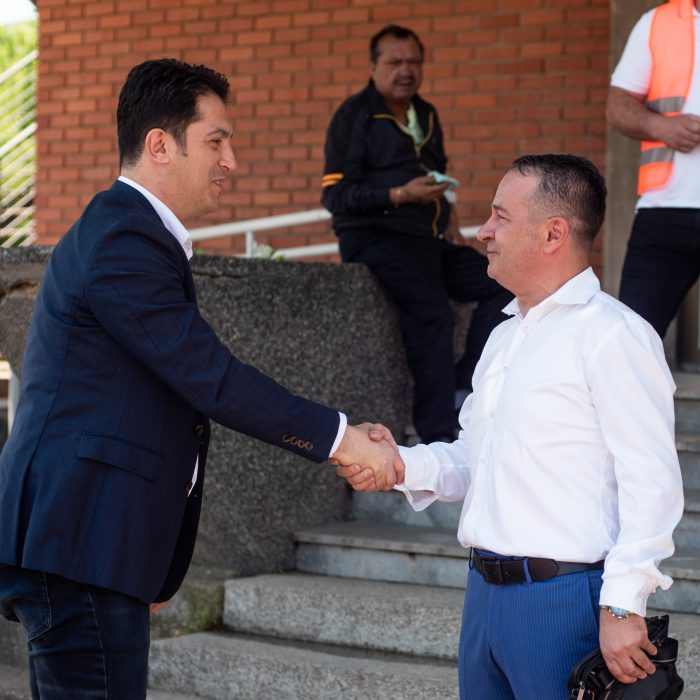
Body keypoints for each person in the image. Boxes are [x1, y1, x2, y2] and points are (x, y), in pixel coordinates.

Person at [0, 58, 399, 700]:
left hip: (92, 545)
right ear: (160, 144)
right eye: (216, 141)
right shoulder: (123, 237)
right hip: (80, 542)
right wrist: (342, 439)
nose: (230, 160)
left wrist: (147, 557)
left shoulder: (127, 231)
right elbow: (209, 378)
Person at [339, 154, 684, 699]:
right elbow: (474, 455)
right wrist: (399, 463)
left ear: (553, 233)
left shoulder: (615, 335)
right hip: (484, 597)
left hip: (563, 602)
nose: (483, 231)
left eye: (500, 216)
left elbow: (652, 481)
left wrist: (624, 604)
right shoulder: (503, 336)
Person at [321, 24, 511, 444]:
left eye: (414, 62)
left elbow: (438, 177)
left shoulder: (425, 113)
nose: (405, 71)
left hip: (428, 240)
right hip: (375, 238)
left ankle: (463, 381)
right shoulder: (354, 116)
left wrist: (452, 224)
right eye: (394, 62)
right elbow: (335, 196)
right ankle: (437, 436)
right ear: (373, 67)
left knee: (504, 280)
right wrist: (400, 194)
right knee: (433, 314)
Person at [607, 0, 700, 337]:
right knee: (629, 338)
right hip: (662, 213)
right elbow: (618, 105)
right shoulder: (657, 22)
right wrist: (661, 127)